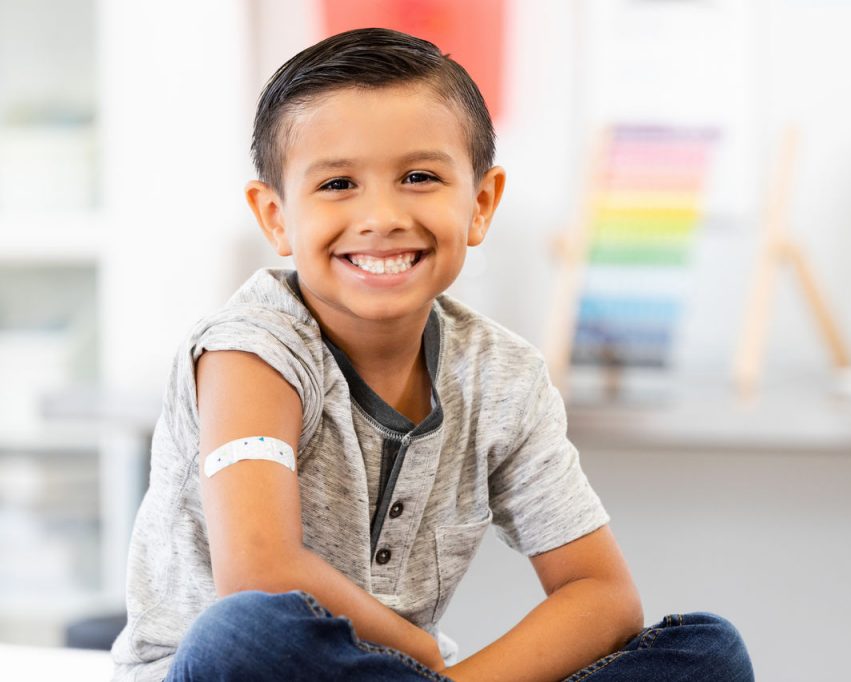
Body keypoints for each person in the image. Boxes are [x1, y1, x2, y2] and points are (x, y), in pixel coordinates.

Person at [110, 27, 755, 682]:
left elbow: (602, 595)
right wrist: (426, 665)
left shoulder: (503, 377)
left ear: (480, 204)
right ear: (276, 217)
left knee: (707, 653)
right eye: (337, 184)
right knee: (248, 632)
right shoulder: (252, 353)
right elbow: (260, 574)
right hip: (247, 669)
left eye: (419, 177)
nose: (382, 215)